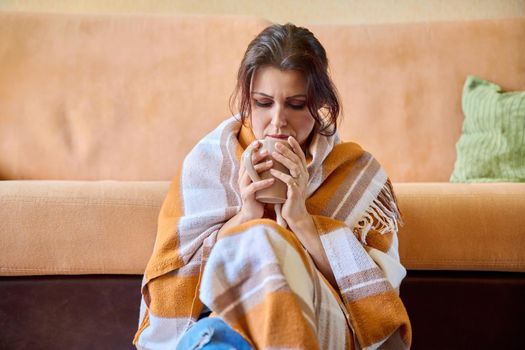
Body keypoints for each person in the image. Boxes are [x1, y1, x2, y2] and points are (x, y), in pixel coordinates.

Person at [133, 23, 412, 350]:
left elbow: (377, 295)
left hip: (320, 327)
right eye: (263, 103)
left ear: (321, 103)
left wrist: (301, 222)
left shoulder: (357, 174)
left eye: (295, 104)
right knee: (215, 338)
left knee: (263, 240)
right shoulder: (209, 162)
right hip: (219, 328)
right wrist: (246, 217)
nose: (278, 120)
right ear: (247, 101)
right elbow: (176, 284)